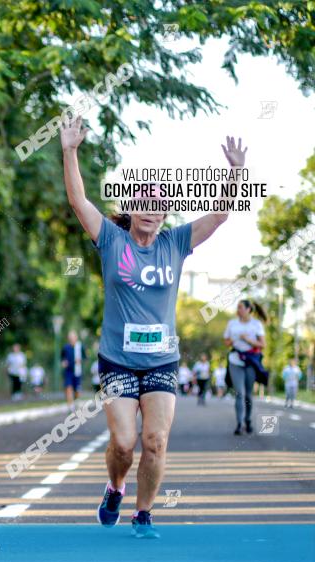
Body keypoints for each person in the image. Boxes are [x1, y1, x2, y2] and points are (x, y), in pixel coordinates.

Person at [61, 116, 247, 538]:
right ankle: (115, 487)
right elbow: (78, 201)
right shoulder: (112, 240)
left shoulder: (175, 243)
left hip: (162, 360)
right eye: (144, 201)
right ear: (131, 208)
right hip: (118, 362)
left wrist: (235, 173)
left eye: (160, 203)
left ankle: (143, 515)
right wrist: (70, 150)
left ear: (165, 213)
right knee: (124, 444)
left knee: (156, 441)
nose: (152, 208)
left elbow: (218, 216)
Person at [223, 299, 268, 435]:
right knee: (240, 393)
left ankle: (248, 419)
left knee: (248, 394)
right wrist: (234, 340)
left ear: (249, 309)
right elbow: (226, 341)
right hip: (235, 360)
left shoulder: (256, 324)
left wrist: (248, 340)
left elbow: (263, 344)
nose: (238, 310)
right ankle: (239, 423)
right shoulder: (232, 323)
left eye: (241, 307)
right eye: (237, 307)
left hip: (250, 362)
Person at [61, 330, 86, 410]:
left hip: (77, 371)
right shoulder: (65, 347)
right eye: (70, 337)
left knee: (77, 390)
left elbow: (85, 357)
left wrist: (80, 360)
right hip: (68, 371)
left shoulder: (80, 346)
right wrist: (63, 362)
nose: (71, 339)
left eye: (73, 337)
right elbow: (62, 358)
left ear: (76, 338)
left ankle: (76, 402)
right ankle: (70, 405)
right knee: (68, 387)